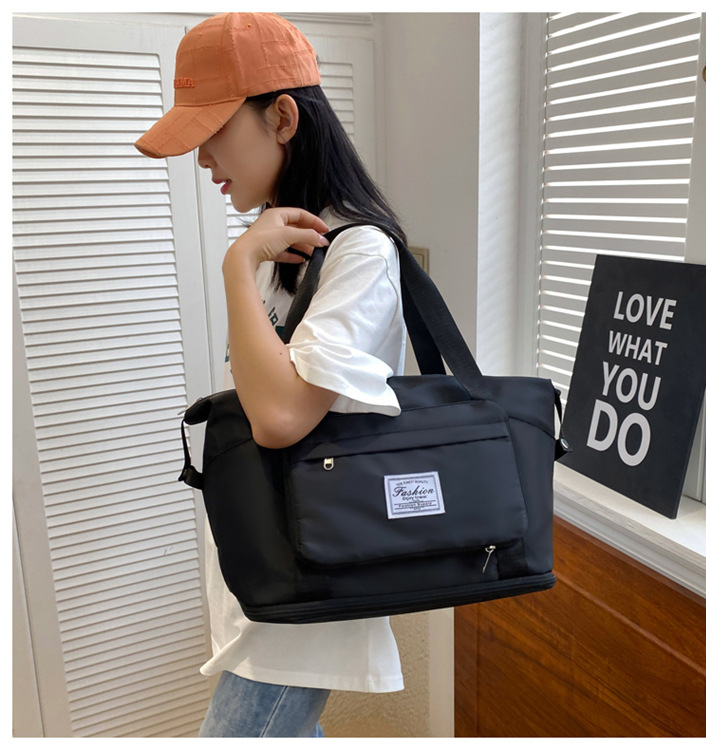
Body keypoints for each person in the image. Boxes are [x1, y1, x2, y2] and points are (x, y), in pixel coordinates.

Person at [135, 12, 407, 738]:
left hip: (310, 580)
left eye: (213, 131)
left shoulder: (358, 251)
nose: (201, 158)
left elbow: (281, 418)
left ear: (283, 117)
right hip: (270, 565)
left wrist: (236, 264)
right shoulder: (284, 244)